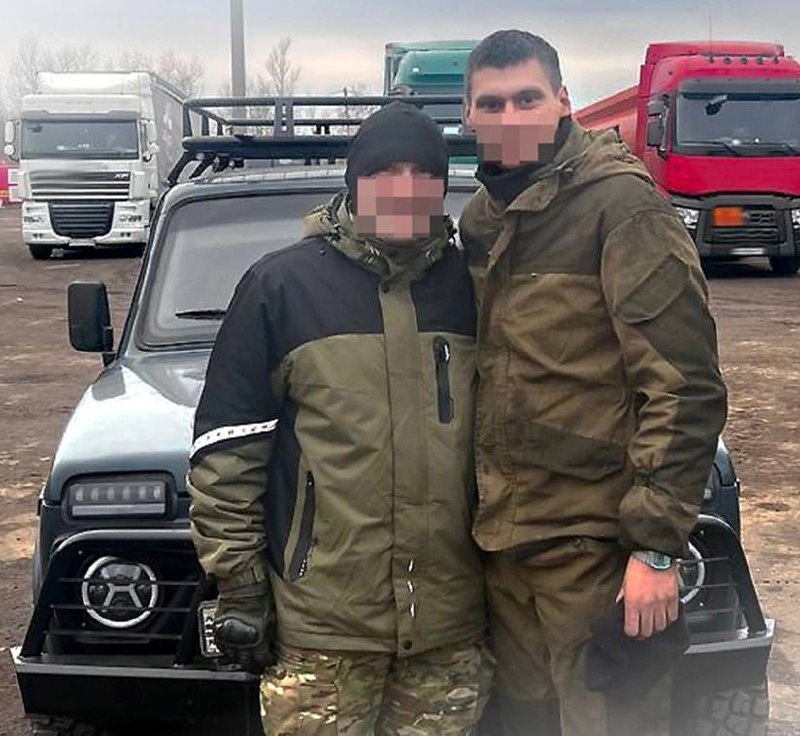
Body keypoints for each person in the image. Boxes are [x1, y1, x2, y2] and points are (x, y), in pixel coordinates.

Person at [188, 101, 492, 735]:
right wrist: (241, 588)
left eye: (423, 173)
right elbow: (226, 458)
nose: (405, 187)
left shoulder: (475, 288)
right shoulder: (282, 289)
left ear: (443, 187)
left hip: (449, 633)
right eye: (385, 171)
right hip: (322, 633)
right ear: (354, 182)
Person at [459, 30, 728, 736]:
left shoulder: (622, 208)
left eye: (528, 98)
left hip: (596, 551)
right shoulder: (482, 219)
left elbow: (685, 387)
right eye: (493, 103)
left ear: (563, 101)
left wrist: (655, 549)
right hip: (506, 549)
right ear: (470, 117)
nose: (511, 117)